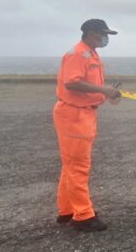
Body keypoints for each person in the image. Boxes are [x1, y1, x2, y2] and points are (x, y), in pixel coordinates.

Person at [53, 19, 121, 232]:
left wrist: (106, 92)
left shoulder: (91, 54)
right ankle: (83, 215)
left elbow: (89, 84)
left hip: (83, 114)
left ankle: (67, 210)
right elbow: (71, 82)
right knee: (78, 166)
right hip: (74, 115)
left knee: (71, 165)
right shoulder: (78, 54)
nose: (106, 38)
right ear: (91, 33)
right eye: (103, 33)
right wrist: (104, 91)